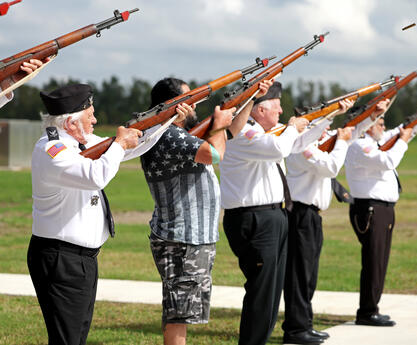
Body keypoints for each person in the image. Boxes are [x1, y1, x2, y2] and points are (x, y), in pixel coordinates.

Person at [28, 83, 163, 345]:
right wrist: (120, 143)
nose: (95, 120)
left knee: (76, 336)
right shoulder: (52, 150)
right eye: (90, 115)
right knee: (67, 339)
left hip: (79, 259)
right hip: (62, 259)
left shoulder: (79, 142)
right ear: (71, 123)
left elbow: (132, 146)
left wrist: (166, 120)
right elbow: (96, 175)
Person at [141, 77, 272, 345]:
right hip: (184, 237)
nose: (195, 103)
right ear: (172, 104)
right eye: (189, 98)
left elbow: (229, 134)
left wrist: (249, 98)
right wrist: (220, 123)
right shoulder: (169, 135)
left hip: (190, 235)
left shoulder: (176, 134)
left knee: (181, 310)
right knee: (180, 312)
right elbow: (214, 153)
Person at [220, 81, 333, 345]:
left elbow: (293, 145)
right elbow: (281, 148)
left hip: (273, 215)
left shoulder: (264, 134)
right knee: (262, 292)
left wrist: (321, 121)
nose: (281, 111)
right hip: (255, 219)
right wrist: (293, 128)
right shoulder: (244, 134)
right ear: (259, 110)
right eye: (277, 106)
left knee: (271, 292)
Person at [344, 101, 417, 327]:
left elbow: (404, 130)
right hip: (371, 209)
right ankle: (367, 312)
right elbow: (389, 160)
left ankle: (371, 308)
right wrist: (404, 141)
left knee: (380, 261)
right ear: (367, 125)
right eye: (379, 121)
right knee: (373, 261)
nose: (383, 124)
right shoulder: (359, 145)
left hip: (382, 209)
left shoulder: (376, 141)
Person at [282, 99, 355, 345]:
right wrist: (342, 142)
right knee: (299, 275)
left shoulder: (315, 142)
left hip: (312, 216)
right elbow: (331, 167)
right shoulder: (300, 146)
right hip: (300, 214)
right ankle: (295, 329)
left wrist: (372, 115)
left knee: (309, 275)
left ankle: (305, 324)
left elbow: (352, 131)